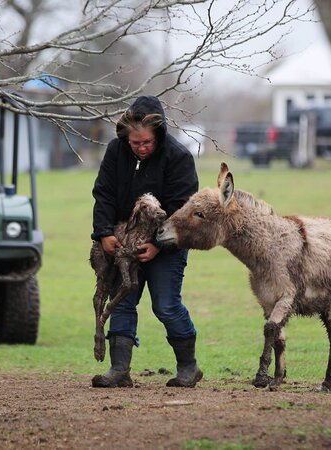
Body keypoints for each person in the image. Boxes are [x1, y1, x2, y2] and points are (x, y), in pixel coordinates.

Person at [90, 95, 202, 388]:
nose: (140, 148)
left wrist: (158, 245)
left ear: (159, 133)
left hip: (168, 243)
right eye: (134, 143)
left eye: (146, 143)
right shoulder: (116, 151)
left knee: (165, 305)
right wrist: (104, 233)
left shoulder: (179, 157)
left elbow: (183, 210)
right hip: (123, 240)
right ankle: (119, 370)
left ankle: (189, 368)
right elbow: (103, 193)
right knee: (123, 300)